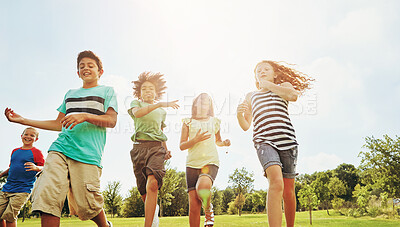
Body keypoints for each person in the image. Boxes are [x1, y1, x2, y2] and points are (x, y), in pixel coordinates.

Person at [4, 50, 118, 227]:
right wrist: (23, 120)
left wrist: (84, 116)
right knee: (47, 195)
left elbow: (111, 121)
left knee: (87, 203)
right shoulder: (70, 94)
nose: (85, 68)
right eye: (81, 66)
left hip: (87, 154)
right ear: (77, 72)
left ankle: (105, 225)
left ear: (100, 71)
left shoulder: (107, 91)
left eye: (90, 65)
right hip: (60, 149)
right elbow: (59, 124)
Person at [236, 60, 313, 227]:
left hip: (287, 142)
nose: (262, 72)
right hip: (264, 141)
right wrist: (239, 116)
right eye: (258, 71)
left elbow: (292, 96)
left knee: (288, 191)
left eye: (266, 69)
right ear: (255, 76)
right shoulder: (251, 96)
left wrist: (268, 85)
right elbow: (246, 126)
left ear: (275, 74)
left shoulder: (283, 86)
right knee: (276, 182)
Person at [128, 72, 178, 227]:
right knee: (144, 191)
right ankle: (153, 211)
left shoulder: (161, 112)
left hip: (156, 149)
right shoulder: (135, 104)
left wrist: (166, 149)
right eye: (144, 89)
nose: (147, 91)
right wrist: (159, 104)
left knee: (153, 184)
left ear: (157, 92)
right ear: (139, 92)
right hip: (139, 150)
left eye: (151, 88)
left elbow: (160, 132)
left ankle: (148, 225)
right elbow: (138, 114)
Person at [180, 93, 230, 227]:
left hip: (210, 161)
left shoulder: (214, 121)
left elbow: (218, 141)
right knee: (194, 207)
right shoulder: (187, 122)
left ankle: (208, 210)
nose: (204, 104)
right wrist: (195, 140)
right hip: (191, 165)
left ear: (209, 106)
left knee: (202, 187)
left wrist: (223, 143)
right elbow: (182, 146)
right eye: (201, 101)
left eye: (207, 102)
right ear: (195, 104)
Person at [0, 127, 44, 227]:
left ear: (36, 139)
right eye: (26, 134)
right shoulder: (15, 151)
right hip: (7, 188)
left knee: (9, 216)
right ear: (21, 136)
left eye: (32, 135)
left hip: (22, 189)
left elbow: (45, 167)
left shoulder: (37, 152)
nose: (28, 137)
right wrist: (2, 174)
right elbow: (12, 167)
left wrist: (36, 167)